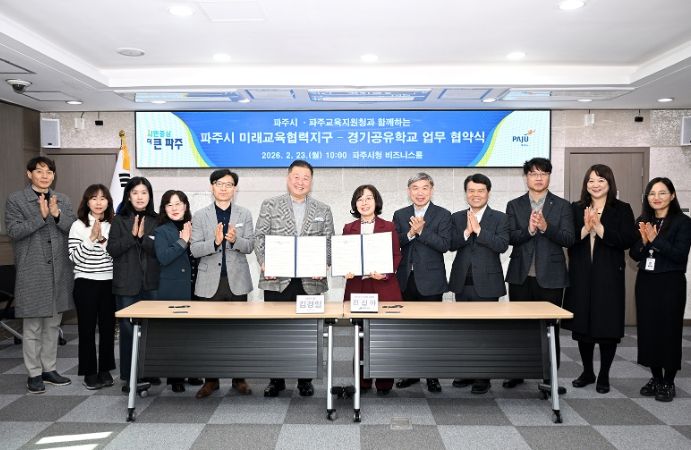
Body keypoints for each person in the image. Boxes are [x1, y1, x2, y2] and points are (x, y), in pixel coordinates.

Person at [255, 159, 335, 397]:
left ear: (311, 181)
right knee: (276, 332)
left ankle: (305, 379)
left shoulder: (323, 209)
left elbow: (329, 242)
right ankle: (276, 380)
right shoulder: (270, 205)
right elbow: (260, 237)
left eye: (305, 178)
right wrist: (264, 262)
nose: (301, 182)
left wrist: (324, 264)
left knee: (308, 332)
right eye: (296, 177)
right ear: (288, 179)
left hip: (310, 282)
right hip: (277, 279)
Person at [5, 156, 76, 394]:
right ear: (29, 174)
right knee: (33, 327)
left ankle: (49, 369)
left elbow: (74, 229)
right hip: (32, 272)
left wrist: (57, 215)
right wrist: (41, 217)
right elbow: (14, 231)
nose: (45, 176)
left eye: (49, 172)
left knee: (52, 325)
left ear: (54, 175)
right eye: (39, 171)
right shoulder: (16, 200)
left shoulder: (63, 200)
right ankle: (34, 373)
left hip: (59, 271)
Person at [562, 165, 636, 394]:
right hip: (581, 275)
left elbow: (627, 240)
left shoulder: (622, 209)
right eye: (591, 181)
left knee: (607, 326)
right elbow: (568, 240)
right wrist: (586, 229)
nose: (595, 185)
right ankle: (587, 372)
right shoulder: (576, 208)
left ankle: (604, 375)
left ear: (609, 183)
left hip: (609, 276)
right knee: (583, 326)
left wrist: (601, 228)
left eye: (601, 180)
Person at [504, 157, 575, 391]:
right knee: (519, 328)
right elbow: (510, 237)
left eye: (543, 173)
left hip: (551, 277)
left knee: (550, 328)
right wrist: (529, 230)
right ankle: (517, 373)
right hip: (521, 276)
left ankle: (549, 378)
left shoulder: (562, 205)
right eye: (533, 173)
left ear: (549, 177)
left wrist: (546, 227)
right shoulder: (514, 205)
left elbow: (569, 239)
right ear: (526, 177)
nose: (538, 178)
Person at [190, 169, 255, 399]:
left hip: (237, 281)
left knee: (238, 333)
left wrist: (236, 240)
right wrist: (215, 242)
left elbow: (250, 246)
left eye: (229, 184)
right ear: (212, 187)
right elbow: (194, 249)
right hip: (209, 283)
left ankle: (239, 379)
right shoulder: (200, 216)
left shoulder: (244, 213)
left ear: (235, 189)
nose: (224, 188)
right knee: (209, 334)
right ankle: (211, 381)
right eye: (220, 184)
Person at [630, 177, 691, 402]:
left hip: (671, 283)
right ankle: (656, 377)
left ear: (672, 195)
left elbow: (679, 255)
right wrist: (644, 242)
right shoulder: (642, 220)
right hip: (646, 282)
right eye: (652, 193)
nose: (656, 197)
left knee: (669, 332)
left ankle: (668, 381)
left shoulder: (683, 222)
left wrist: (656, 240)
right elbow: (634, 254)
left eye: (662, 193)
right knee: (648, 331)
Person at [448, 174, 509, 395]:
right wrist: (466, 231)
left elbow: (502, 245)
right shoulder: (456, 217)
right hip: (462, 283)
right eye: (471, 191)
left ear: (488, 193)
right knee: (464, 331)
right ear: (466, 193)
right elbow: (450, 244)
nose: (476, 195)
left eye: (480, 190)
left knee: (485, 331)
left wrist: (480, 231)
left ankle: (483, 376)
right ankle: (466, 371)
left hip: (488, 284)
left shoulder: (500, 218)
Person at [392, 172, 451, 393]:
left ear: (431, 190)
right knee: (408, 330)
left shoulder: (443, 214)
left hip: (431, 282)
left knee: (431, 330)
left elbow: (444, 245)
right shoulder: (400, 214)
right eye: (415, 188)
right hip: (406, 280)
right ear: (409, 191)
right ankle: (411, 373)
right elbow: (395, 243)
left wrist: (422, 231)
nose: (420, 192)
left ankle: (432, 376)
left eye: (424, 188)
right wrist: (410, 233)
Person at [342, 184, 402, 395]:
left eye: (369, 198)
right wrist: (344, 270)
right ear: (355, 204)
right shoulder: (348, 228)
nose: (364, 202)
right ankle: (363, 381)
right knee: (360, 335)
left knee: (384, 336)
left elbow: (396, 255)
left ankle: (384, 382)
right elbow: (344, 256)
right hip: (358, 286)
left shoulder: (389, 226)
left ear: (376, 202)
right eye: (360, 199)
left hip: (383, 285)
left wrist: (385, 273)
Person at [107, 176, 160, 393]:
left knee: (150, 330)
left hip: (151, 284)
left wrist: (143, 238)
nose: (140, 197)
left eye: (144, 193)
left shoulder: (157, 220)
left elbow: (158, 251)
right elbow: (112, 249)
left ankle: (147, 371)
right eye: (135, 192)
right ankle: (129, 376)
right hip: (126, 284)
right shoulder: (119, 220)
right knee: (128, 331)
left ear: (150, 196)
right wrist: (132, 237)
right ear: (128, 196)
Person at [68, 184, 117, 390]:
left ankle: (105, 370)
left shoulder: (114, 225)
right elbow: (74, 257)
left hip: (109, 283)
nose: (98, 202)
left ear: (108, 202)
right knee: (86, 330)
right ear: (87, 202)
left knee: (107, 329)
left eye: (103, 198)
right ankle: (89, 372)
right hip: (85, 283)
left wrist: (102, 240)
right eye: (94, 198)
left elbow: (117, 255)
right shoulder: (78, 225)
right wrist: (90, 239)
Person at [154, 189, 194, 393]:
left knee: (192, 333)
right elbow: (163, 257)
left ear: (185, 206)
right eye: (169, 205)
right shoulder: (161, 231)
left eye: (178, 203)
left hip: (195, 286)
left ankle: (191, 371)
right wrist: (183, 241)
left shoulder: (193, 226)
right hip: (174, 287)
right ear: (164, 209)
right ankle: (175, 376)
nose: (174, 208)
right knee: (175, 333)